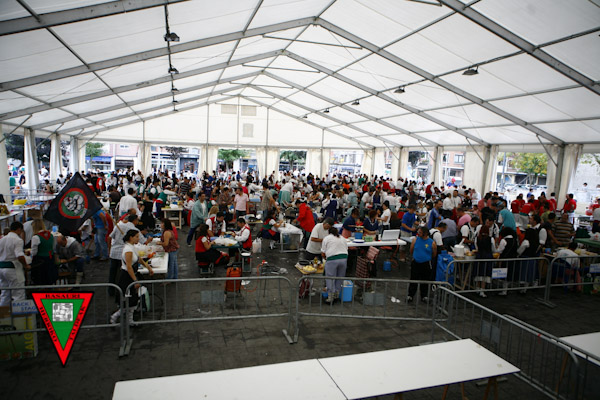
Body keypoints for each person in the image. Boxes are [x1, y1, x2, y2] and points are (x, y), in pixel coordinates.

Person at [110, 229, 154, 325]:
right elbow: (129, 267)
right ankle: (115, 317)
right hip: (127, 277)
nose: (138, 238)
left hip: (131, 275)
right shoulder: (128, 250)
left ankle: (130, 320)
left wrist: (148, 266)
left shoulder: (132, 247)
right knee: (129, 301)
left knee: (133, 300)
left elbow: (138, 258)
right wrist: (135, 280)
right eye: (136, 237)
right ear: (131, 237)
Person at [108, 213, 138, 295]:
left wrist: (109, 250)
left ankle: (111, 290)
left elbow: (110, 237)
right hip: (122, 254)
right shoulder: (131, 228)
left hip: (114, 252)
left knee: (113, 273)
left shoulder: (118, 225)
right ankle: (120, 291)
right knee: (121, 274)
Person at [0, 222, 29, 306]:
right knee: (18, 293)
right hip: (13, 268)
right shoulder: (17, 240)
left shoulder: (2, 240)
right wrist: (25, 265)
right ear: (19, 229)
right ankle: (19, 313)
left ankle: (3, 312)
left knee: (5, 294)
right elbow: (19, 256)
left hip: (2, 268)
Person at [407, 227, 436, 303]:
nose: (418, 234)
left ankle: (424, 295)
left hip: (426, 263)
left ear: (425, 233)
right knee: (413, 279)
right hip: (416, 262)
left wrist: (427, 257)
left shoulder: (432, 242)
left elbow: (434, 253)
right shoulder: (415, 240)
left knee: (425, 280)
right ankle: (410, 295)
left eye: (420, 232)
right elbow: (411, 250)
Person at [321, 227, 348, 303]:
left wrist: (325, 258)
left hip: (332, 259)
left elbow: (323, 252)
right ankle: (337, 294)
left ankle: (330, 297)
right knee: (340, 277)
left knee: (330, 277)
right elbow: (346, 249)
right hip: (344, 258)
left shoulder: (327, 238)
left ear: (329, 232)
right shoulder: (342, 238)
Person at [29, 219, 56, 285]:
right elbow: (53, 248)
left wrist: (29, 252)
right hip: (50, 259)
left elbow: (34, 252)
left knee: (41, 279)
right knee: (49, 279)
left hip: (40, 261)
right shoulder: (51, 235)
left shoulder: (36, 237)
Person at [474, 219, 495, 298]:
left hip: (479, 256)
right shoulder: (490, 239)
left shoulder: (477, 238)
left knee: (479, 272)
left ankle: (477, 288)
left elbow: (476, 247)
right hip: (487, 256)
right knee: (485, 273)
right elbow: (493, 249)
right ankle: (482, 290)